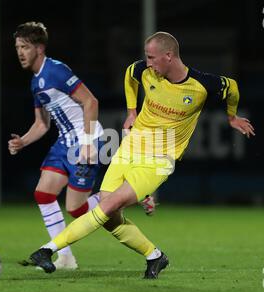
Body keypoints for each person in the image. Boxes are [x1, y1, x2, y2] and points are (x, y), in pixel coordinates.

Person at [28, 31, 255, 279]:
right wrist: (131, 111)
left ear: (168, 56)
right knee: (109, 216)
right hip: (131, 147)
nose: (147, 63)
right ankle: (154, 256)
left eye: (151, 58)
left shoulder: (202, 85)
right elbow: (130, 74)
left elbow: (231, 87)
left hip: (159, 159)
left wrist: (232, 117)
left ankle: (48, 250)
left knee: (109, 205)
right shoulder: (144, 71)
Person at [9, 22, 156, 270]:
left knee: (76, 210)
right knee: (43, 194)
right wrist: (23, 141)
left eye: (25, 46)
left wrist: (87, 143)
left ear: (40, 48)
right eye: (17, 47)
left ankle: (128, 194)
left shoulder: (56, 71)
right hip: (63, 143)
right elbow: (42, 124)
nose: (20, 52)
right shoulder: (36, 82)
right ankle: (65, 257)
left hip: (86, 141)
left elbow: (91, 102)